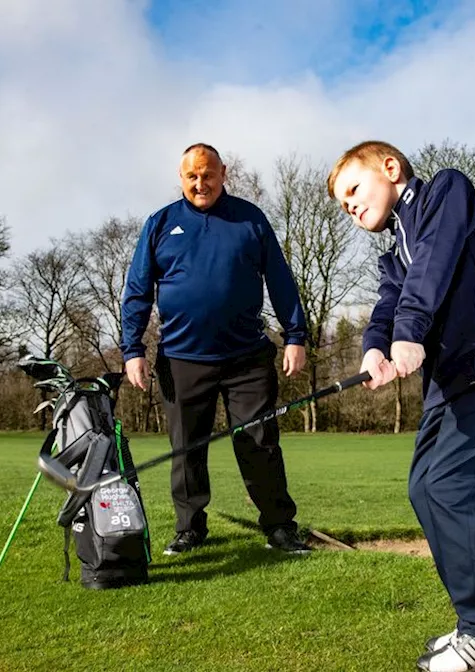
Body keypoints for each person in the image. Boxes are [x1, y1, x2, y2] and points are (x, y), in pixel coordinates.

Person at [327, 140, 475, 672]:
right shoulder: (393, 254)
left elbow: (433, 264)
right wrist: (375, 348)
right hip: (451, 386)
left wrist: (409, 330)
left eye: (354, 190)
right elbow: (389, 304)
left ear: (391, 168)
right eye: (343, 205)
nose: (351, 207)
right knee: (426, 489)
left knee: (449, 490)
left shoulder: (446, 191)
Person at [121, 143, 313, 556]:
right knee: (186, 447)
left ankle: (280, 527)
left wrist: (295, 335)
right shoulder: (160, 223)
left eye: (207, 174)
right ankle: (190, 528)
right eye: (191, 176)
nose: (200, 183)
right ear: (180, 177)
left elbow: (280, 280)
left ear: (223, 173)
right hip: (181, 359)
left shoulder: (250, 219)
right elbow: (137, 291)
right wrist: (132, 349)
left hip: (247, 358)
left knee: (259, 442)